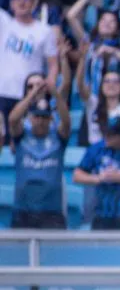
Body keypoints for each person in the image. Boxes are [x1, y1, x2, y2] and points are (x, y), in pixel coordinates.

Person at [6, 81, 71, 229]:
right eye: (37, 117)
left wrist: (55, 94)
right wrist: (32, 94)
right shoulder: (21, 137)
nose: (40, 121)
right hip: (23, 210)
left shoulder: (58, 139)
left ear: (50, 119)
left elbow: (66, 122)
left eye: (44, 117)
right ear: (30, 117)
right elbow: (13, 119)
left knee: (55, 252)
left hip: (52, 212)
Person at [0, 0, 58, 141]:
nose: (21, 2)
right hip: (2, 92)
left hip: (29, 95)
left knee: (22, 143)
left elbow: (53, 64)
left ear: (34, 3)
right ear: (12, 3)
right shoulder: (4, 23)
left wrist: (49, 85)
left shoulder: (44, 31)